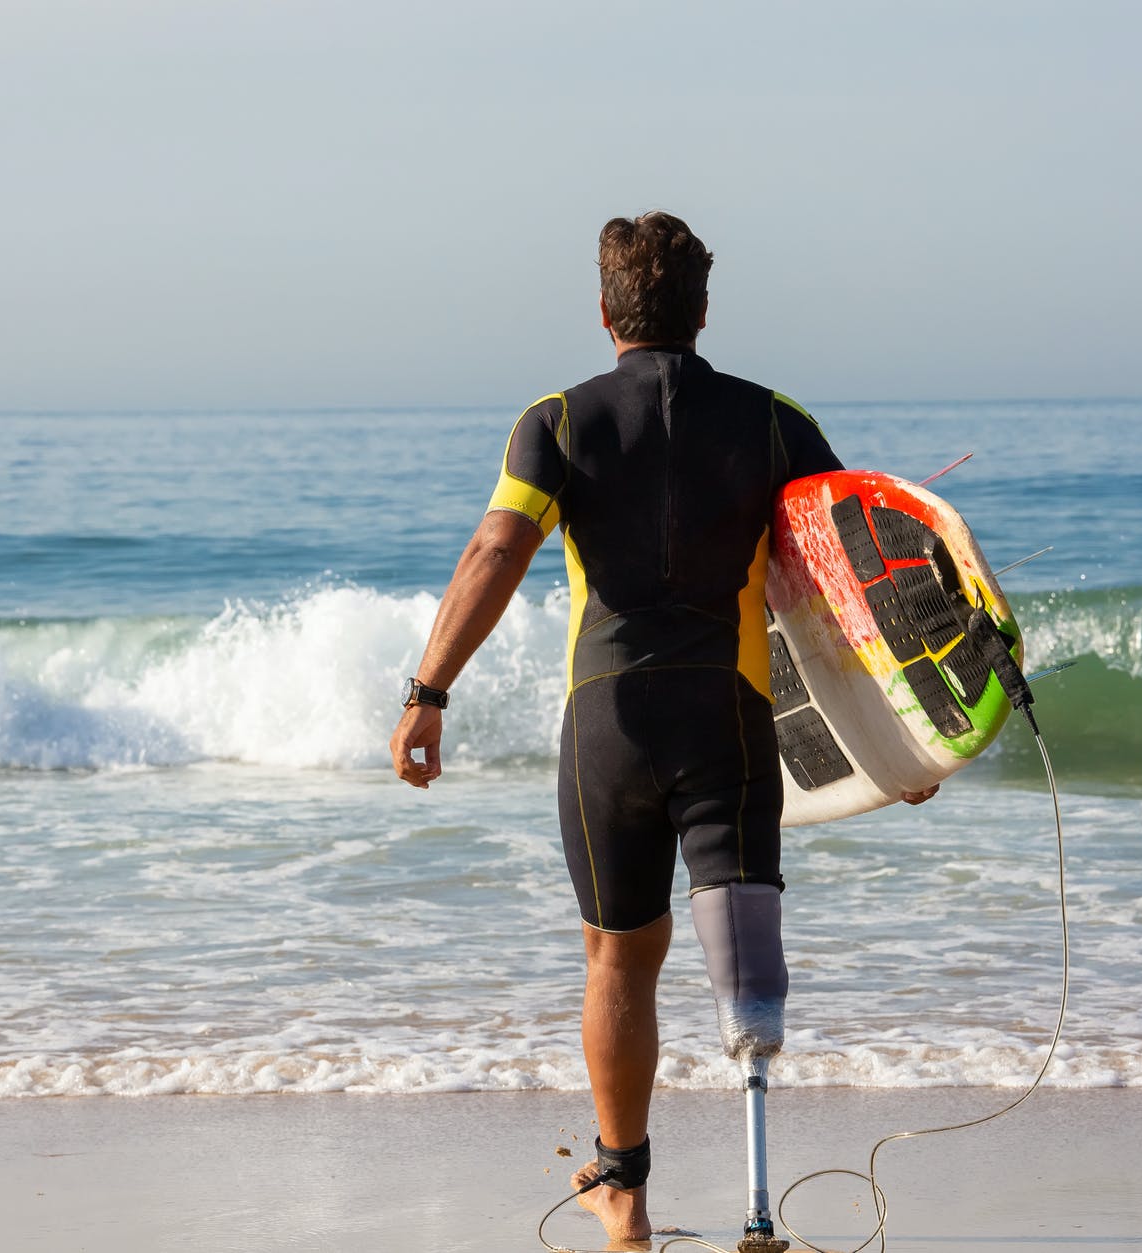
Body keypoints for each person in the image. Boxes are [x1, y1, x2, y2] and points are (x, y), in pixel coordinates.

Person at [389, 211, 935, 1242]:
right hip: (725, 714)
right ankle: (759, 1196)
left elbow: (492, 553)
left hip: (609, 719)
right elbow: (846, 574)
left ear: (603, 314)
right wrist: (900, 736)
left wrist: (427, 691)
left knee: (616, 955)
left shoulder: (555, 421)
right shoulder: (772, 421)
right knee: (744, 937)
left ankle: (626, 1189)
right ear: (701, 311)